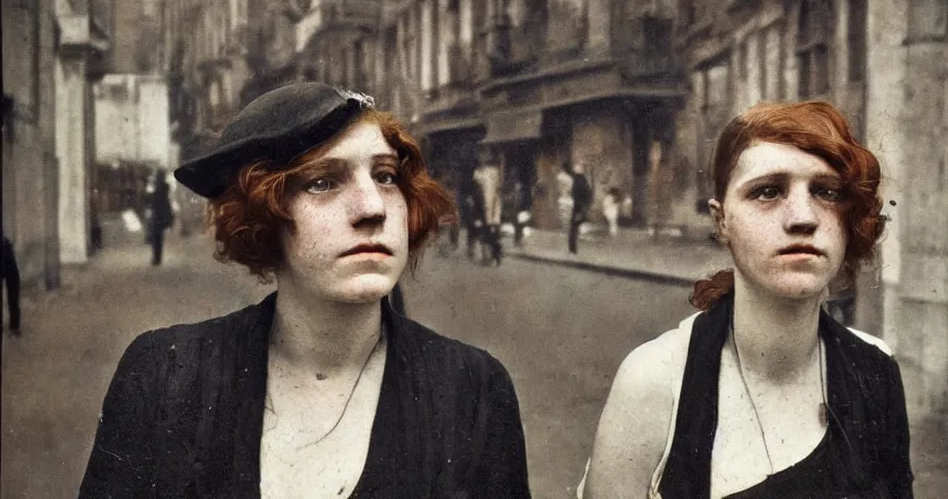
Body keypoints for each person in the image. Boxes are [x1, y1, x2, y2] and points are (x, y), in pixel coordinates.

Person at [79, 82, 531, 497]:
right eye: (323, 181)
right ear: (263, 217)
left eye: (386, 176)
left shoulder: (473, 390)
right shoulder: (166, 376)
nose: (373, 207)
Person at [579, 101, 912, 498]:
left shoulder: (874, 369)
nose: (802, 217)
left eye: (826, 192)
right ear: (722, 222)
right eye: (768, 192)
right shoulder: (656, 381)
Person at [147, 168, 174, 266]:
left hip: (156, 214)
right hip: (162, 214)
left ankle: (156, 258)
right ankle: (158, 258)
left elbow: (152, 200)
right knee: (159, 237)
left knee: (155, 237)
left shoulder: (155, 186)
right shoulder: (166, 186)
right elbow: (166, 200)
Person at [567, 162, 592, 254]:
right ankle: (572, 248)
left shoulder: (580, 180)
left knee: (573, 228)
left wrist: (582, 206)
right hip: (579, 207)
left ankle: (572, 249)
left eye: (577, 167)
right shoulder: (580, 179)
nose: (575, 169)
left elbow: (582, 194)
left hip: (578, 207)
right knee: (575, 227)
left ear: (581, 169)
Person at [1, 231, 21, 337]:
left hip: (11, 270)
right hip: (9, 269)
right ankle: (14, 328)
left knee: (13, 299)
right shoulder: (5, 242)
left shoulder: (5, 242)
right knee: (13, 299)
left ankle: (14, 327)